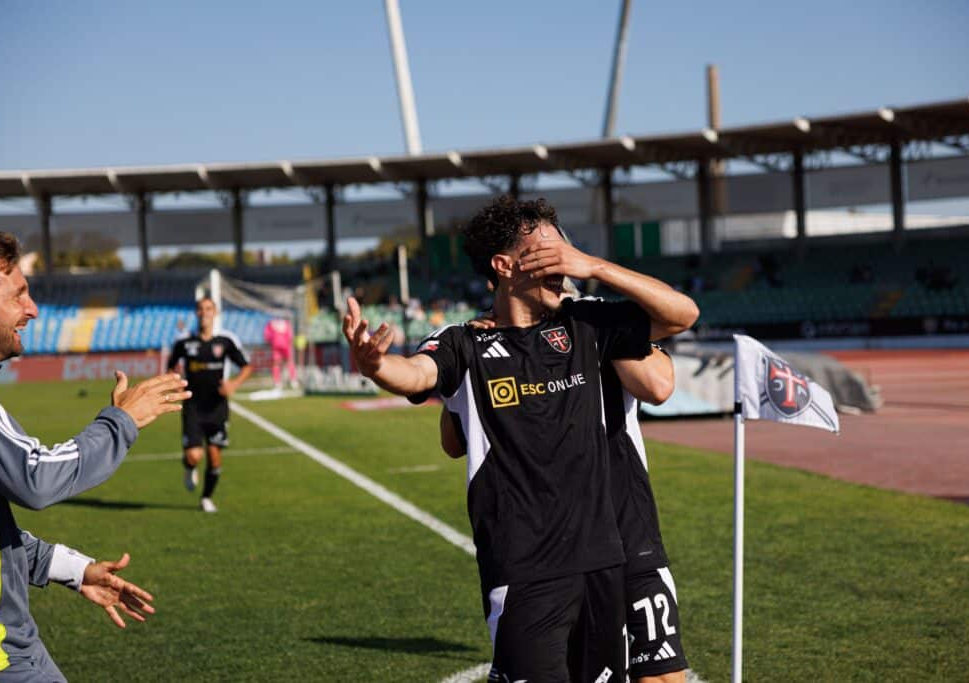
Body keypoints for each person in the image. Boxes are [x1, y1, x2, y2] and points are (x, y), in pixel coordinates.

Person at [343, 196, 698, 682]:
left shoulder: (586, 322)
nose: (563, 260)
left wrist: (592, 265)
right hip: (526, 567)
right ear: (504, 265)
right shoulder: (464, 340)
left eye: (564, 250)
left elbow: (680, 320)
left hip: (608, 553)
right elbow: (418, 376)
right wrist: (376, 364)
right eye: (548, 252)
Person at [442, 284, 690, 682]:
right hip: (556, 541)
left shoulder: (595, 325)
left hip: (628, 526)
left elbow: (659, 387)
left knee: (662, 673)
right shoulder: (496, 346)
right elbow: (453, 441)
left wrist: (593, 326)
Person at [0, 230, 188, 681]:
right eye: (19, 295)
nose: (33, 309)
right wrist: (122, 422)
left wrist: (74, 569)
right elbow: (34, 478)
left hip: (13, 644)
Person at [168, 296, 253, 513]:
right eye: (200, 308)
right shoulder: (184, 342)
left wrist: (233, 385)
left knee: (215, 457)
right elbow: (171, 367)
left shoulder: (226, 340)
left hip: (217, 408)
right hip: (193, 407)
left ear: (215, 313)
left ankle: (206, 497)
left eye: (208, 308)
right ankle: (189, 467)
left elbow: (247, 367)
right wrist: (174, 383)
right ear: (196, 313)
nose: (204, 312)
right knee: (194, 455)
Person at [263, 317, 298, 390]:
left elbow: (267, 336)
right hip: (284, 346)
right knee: (288, 363)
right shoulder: (286, 323)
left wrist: (270, 341)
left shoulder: (271, 324)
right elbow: (290, 336)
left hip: (277, 346)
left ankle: (278, 382)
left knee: (277, 365)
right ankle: (292, 380)